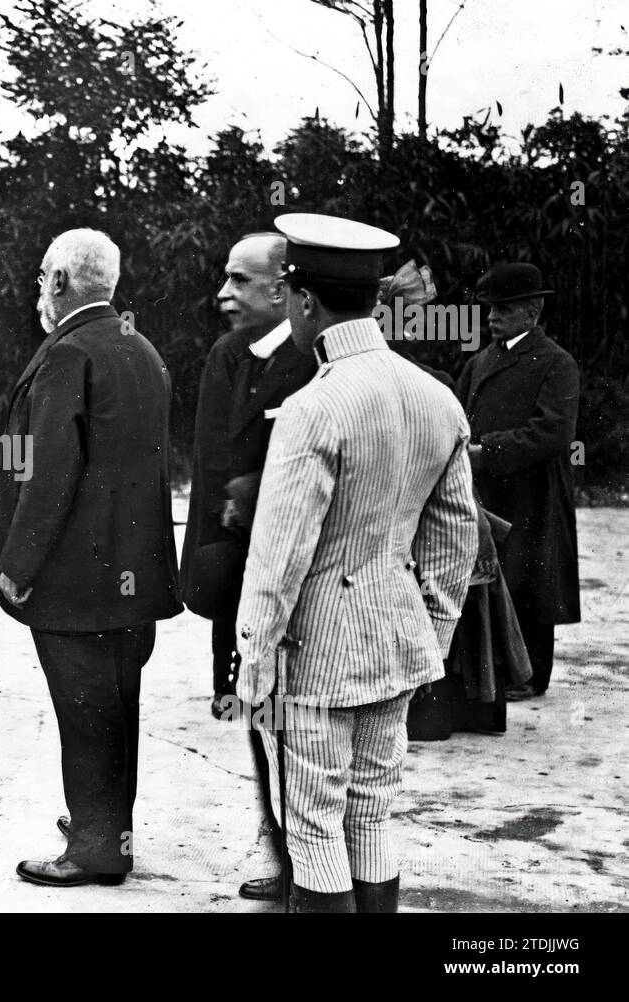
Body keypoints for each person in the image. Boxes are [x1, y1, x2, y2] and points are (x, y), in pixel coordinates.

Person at [235, 213, 477, 912]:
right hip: (397, 638)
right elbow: (454, 542)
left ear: (305, 301)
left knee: (313, 825)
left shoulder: (314, 407)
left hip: (318, 650)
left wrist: (255, 659)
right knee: (371, 814)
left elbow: (278, 558)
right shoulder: (437, 397)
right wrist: (432, 634)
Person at [0, 229, 182, 887]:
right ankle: (106, 829)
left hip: (76, 581)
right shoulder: (141, 349)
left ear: (62, 282)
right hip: (133, 581)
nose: (37, 288)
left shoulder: (69, 354)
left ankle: (97, 847)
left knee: (84, 713)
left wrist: (16, 565)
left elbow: (48, 477)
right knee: (116, 709)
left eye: (43, 275)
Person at [178, 231, 317, 904]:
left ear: (282, 289)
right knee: (261, 724)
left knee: (302, 730)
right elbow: (207, 463)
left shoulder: (316, 358)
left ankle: (310, 868)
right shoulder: (227, 355)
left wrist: (252, 492)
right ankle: (287, 857)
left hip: (296, 585)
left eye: (239, 281)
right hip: (239, 581)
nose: (223, 295)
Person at [375, 262, 534, 739]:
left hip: (423, 510)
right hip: (435, 507)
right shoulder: (439, 377)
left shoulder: (429, 379)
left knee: (439, 594)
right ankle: (456, 708)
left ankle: (437, 709)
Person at [456, 263, 581, 701]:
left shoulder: (556, 363)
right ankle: (498, 669)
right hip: (489, 490)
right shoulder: (479, 362)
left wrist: (486, 452)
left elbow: (552, 432)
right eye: (489, 308)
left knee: (532, 578)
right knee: (494, 576)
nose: (491, 317)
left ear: (533, 311)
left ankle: (531, 675)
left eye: (503, 309)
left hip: (534, 494)